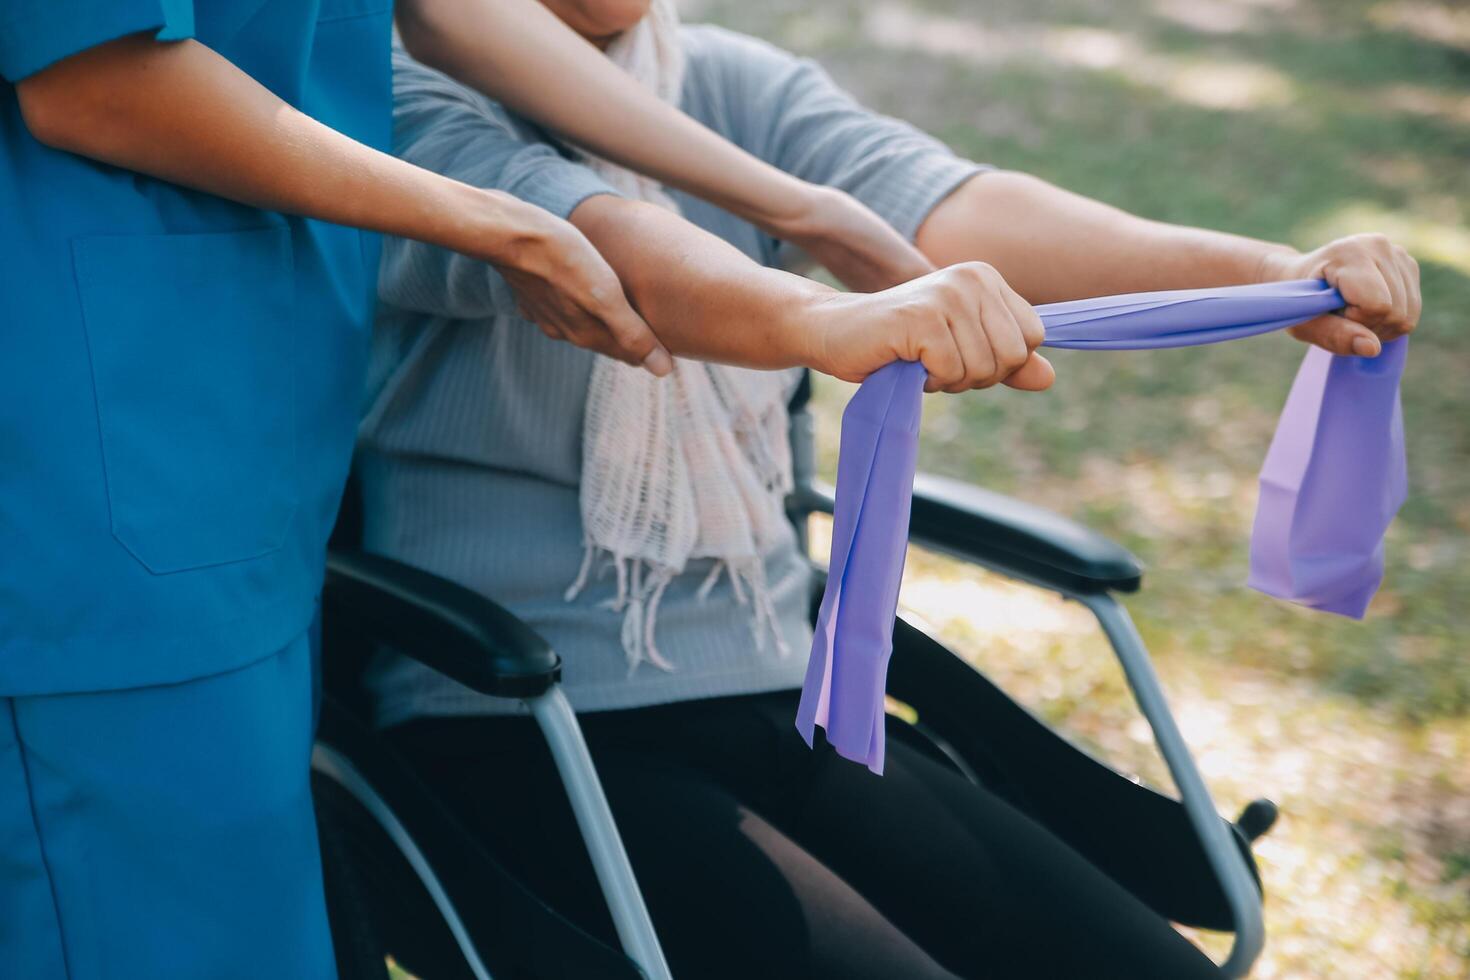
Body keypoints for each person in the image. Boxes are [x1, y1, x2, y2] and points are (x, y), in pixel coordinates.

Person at [359, 3, 1421, 977]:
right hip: (508, 711)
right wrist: (827, 320)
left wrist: (1271, 271)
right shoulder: (388, 94)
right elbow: (603, 251)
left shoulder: (719, 79)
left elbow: (946, 204)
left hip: (781, 679)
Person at [0, 1, 935, 976]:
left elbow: (450, 8)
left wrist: (800, 206)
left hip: (230, 467)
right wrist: (504, 226)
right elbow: (91, 81)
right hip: (98, 475)